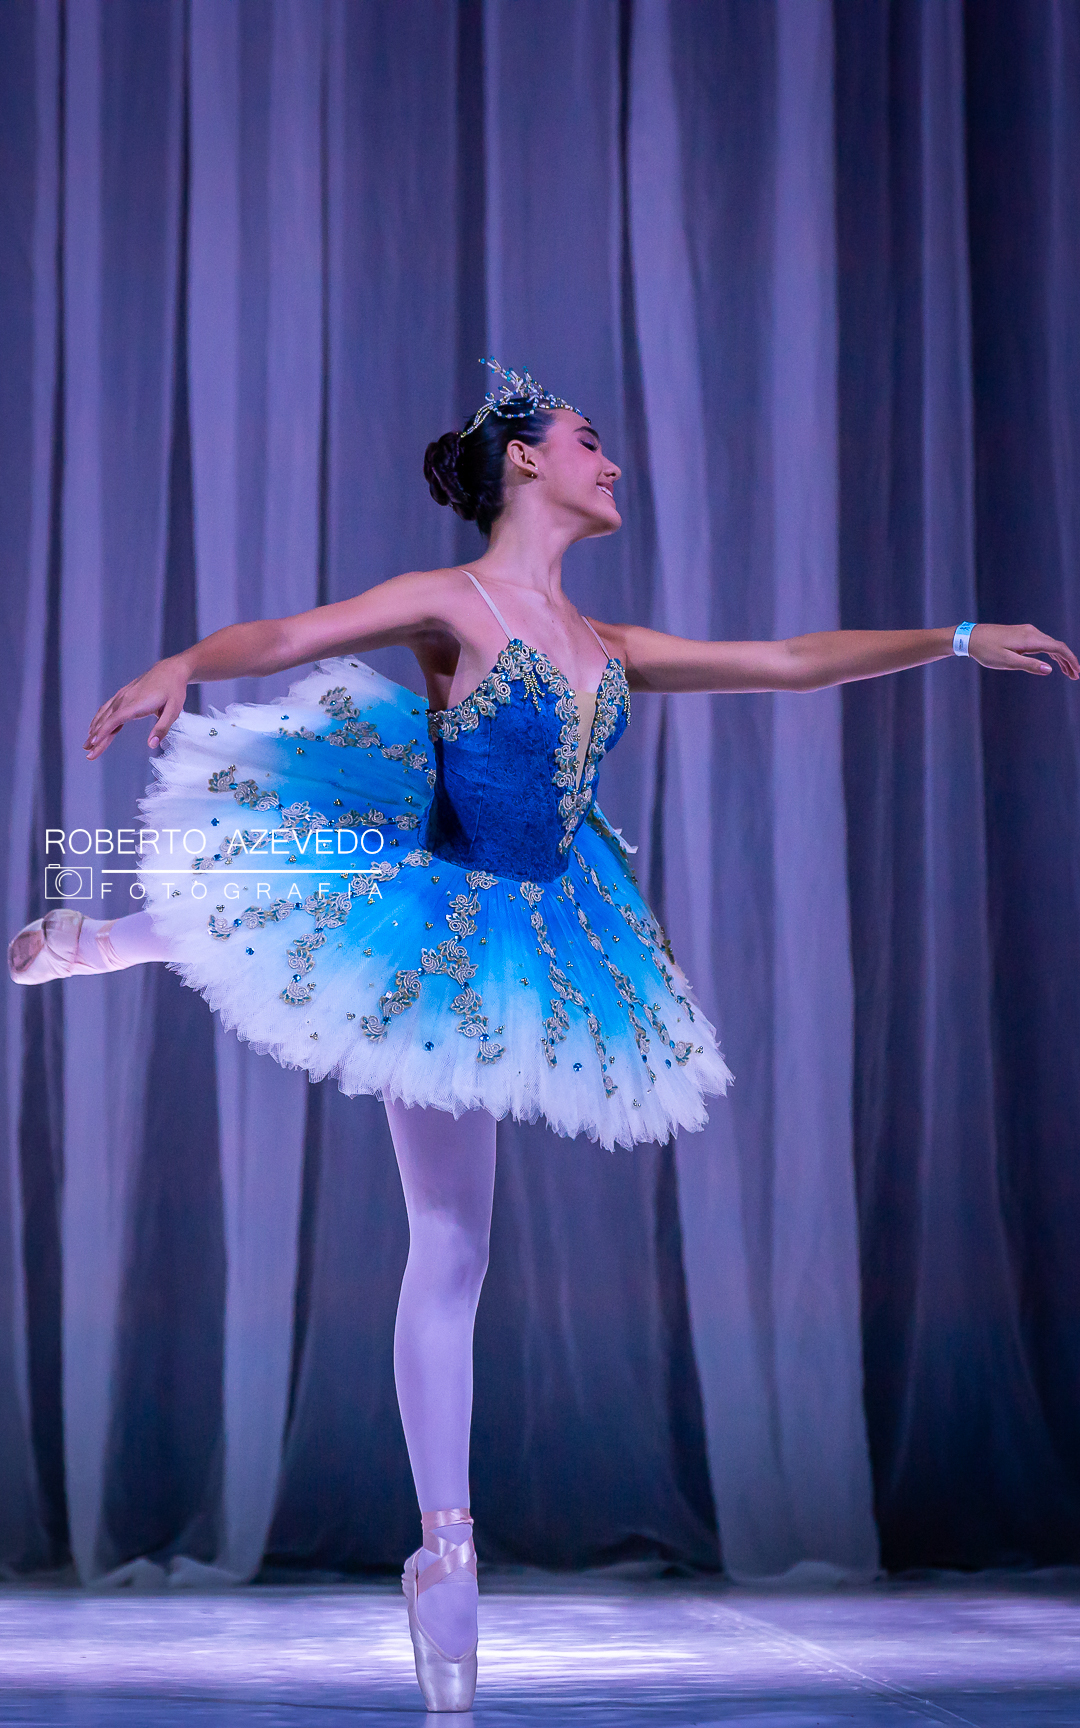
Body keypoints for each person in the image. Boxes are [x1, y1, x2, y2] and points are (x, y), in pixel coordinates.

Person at [9, 359, 1078, 1712]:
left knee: (458, 1243)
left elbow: (789, 664)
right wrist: (184, 662)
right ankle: (448, 1551)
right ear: (525, 460)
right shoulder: (453, 603)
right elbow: (290, 633)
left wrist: (958, 636)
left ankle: (440, 1559)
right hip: (440, 905)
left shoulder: (610, 646)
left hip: (539, 921)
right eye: (589, 440)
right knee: (321, 913)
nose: (612, 462)